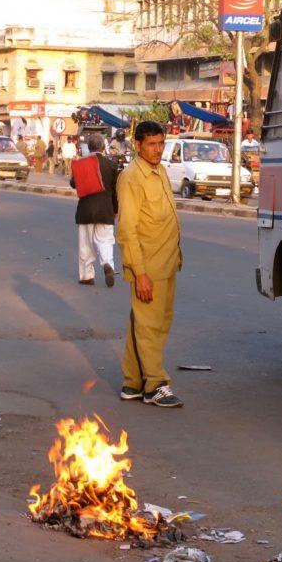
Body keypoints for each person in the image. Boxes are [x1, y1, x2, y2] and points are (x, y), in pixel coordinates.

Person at [117, 120, 183, 408]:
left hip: (167, 262)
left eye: (161, 143)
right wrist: (139, 272)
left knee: (147, 324)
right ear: (138, 145)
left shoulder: (160, 171)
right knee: (150, 327)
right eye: (152, 144)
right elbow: (128, 229)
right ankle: (155, 384)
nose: (157, 150)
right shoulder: (132, 177)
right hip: (148, 266)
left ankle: (133, 382)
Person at [70, 133, 120, 286]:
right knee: (105, 241)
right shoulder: (111, 165)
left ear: (89, 147)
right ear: (103, 147)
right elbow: (115, 190)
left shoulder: (82, 164)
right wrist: (115, 209)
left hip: (86, 210)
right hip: (105, 210)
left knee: (86, 244)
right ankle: (107, 265)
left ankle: (87, 276)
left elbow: (73, 183)